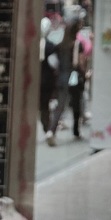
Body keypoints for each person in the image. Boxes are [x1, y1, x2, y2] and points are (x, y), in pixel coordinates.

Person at [46, 17, 82, 146]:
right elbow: (79, 62)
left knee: (59, 106)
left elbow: (54, 62)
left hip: (62, 78)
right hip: (74, 77)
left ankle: (51, 131)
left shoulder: (60, 45)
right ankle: (76, 131)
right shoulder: (76, 44)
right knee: (77, 103)